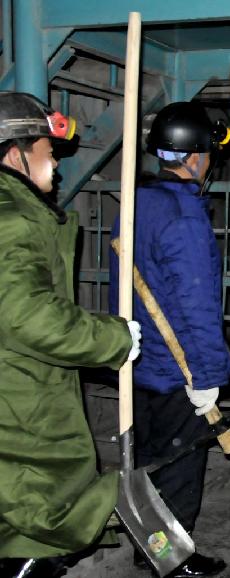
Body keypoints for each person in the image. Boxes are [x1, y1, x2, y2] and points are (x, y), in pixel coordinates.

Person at [0, 92, 140, 577]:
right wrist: (112, 339)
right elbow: (25, 315)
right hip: (18, 397)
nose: (56, 161)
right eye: (47, 147)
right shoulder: (13, 219)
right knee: (41, 519)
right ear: (15, 151)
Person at [110, 101, 230, 578]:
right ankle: (174, 560)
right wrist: (206, 376)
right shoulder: (184, 216)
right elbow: (197, 304)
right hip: (175, 368)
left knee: (147, 460)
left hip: (135, 360)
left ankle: (150, 545)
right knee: (180, 464)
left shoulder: (136, 201)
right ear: (198, 156)